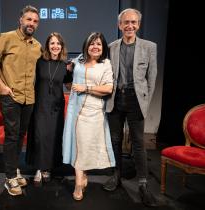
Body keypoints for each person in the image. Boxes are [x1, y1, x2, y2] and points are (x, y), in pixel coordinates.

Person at [0, 5, 42, 196]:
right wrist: (1, 85)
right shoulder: (6, 38)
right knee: (11, 136)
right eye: (28, 19)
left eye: (35, 21)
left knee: (20, 136)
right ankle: (9, 178)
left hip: (29, 99)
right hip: (11, 97)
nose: (31, 23)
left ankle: (14, 169)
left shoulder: (37, 46)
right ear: (21, 20)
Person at [103, 8, 158, 207]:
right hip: (116, 99)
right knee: (115, 140)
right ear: (120, 25)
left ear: (138, 24)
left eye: (133, 22)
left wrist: (145, 101)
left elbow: (152, 79)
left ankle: (143, 184)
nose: (130, 26)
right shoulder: (111, 47)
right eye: (126, 22)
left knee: (138, 143)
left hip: (137, 100)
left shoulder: (149, 47)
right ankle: (116, 175)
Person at [62, 32, 115, 201]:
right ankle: (79, 181)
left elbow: (108, 88)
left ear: (103, 47)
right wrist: (68, 72)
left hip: (94, 112)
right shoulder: (78, 61)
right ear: (86, 46)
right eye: (92, 43)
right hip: (75, 110)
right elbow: (70, 82)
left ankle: (81, 178)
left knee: (85, 145)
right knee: (78, 145)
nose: (95, 47)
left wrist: (86, 88)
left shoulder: (106, 64)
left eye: (99, 44)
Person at [26, 32, 72, 184]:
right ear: (47, 46)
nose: (55, 46)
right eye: (52, 43)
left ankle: (48, 168)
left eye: (58, 43)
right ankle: (39, 168)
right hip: (40, 105)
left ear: (62, 46)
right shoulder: (39, 62)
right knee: (40, 137)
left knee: (53, 137)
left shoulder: (65, 65)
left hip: (56, 107)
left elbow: (69, 85)